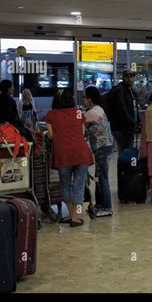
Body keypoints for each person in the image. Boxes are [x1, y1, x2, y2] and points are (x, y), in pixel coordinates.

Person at [44, 89, 94, 227]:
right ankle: (75, 217)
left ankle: (71, 215)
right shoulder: (78, 113)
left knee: (65, 184)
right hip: (81, 152)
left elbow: (51, 136)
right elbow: (83, 132)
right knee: (78, 185)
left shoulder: (51, 115)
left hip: (63, 154)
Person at [84, 86, 114, 217]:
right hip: (105, 146)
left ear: (90, 99)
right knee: (98, 177)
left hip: (102, 147)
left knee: (103, 178)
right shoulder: (98, 109)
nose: (83, 99)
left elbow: (78, 121)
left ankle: (107, 208)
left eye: (85, 97)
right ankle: (100, 205)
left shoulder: (93, 112)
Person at [104, 70, 140, 153]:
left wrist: (138, 121)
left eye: (131, 77)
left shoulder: (130, 90)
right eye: (127, 77)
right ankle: (124, 166)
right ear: (123, 78)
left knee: (126, 151)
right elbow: (122, 109)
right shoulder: (119, 90)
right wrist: (132, 123)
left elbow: (134, 107)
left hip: (127, 127)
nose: (130, 79)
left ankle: (125, 165)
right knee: (125, 152)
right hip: (121, 128)